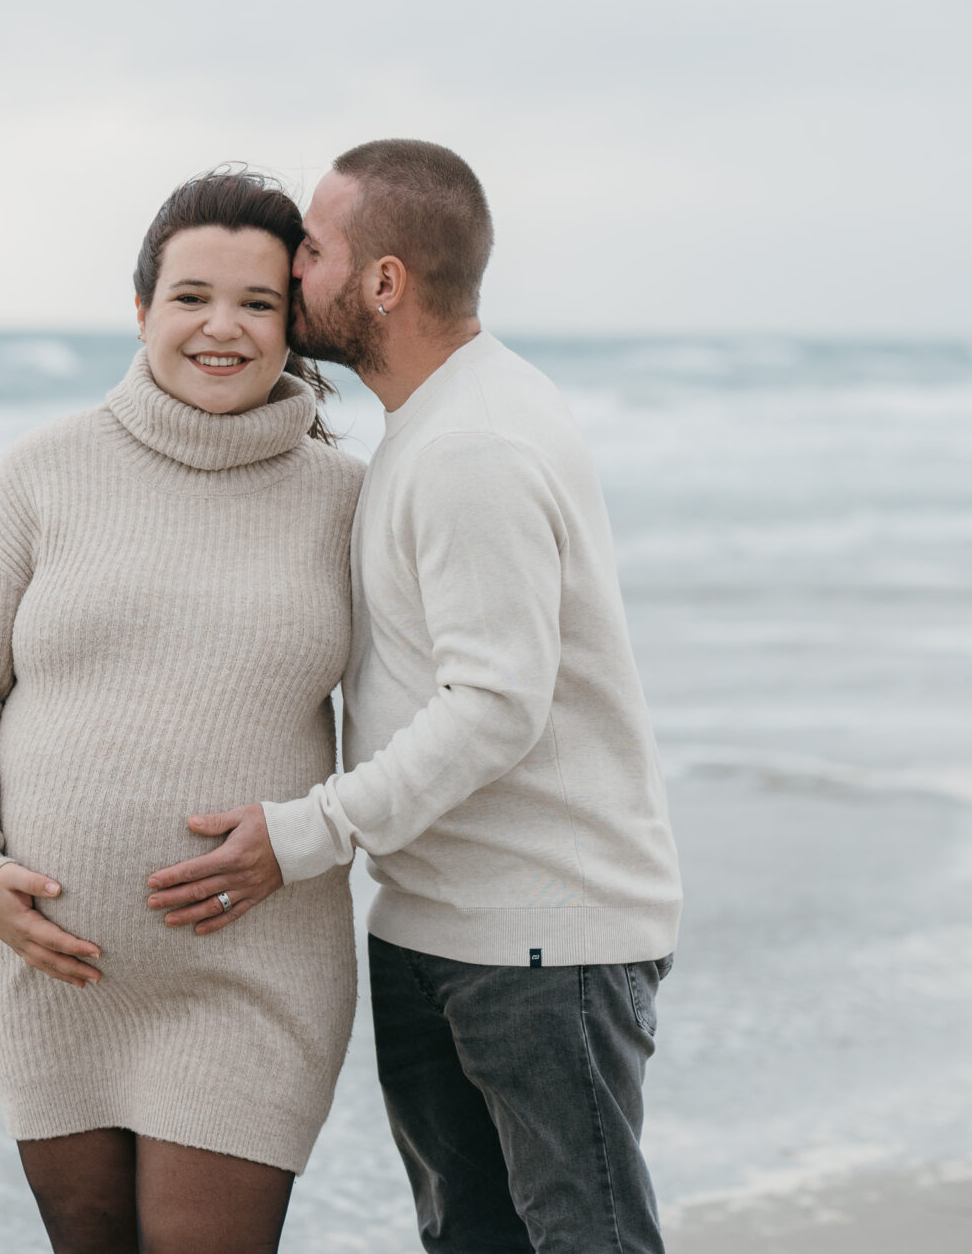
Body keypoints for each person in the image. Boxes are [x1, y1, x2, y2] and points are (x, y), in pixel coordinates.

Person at [145, 140, 683, 1254]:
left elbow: (495, 704)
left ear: (383, 281)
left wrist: (304, 833)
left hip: (539, 942)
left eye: (312, 250)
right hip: (446, 926)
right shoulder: (436, 420)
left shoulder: (471, 445)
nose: (290, 268)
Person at [0, 168, 364, 1254]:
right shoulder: (42, 472)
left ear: (294, 323)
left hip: (252, 970)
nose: (222, 326)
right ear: (143, 307)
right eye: (191, 296)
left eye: (257, 302)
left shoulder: (349, 504)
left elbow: (415, 724)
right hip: (48, 967)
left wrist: (312, 835)